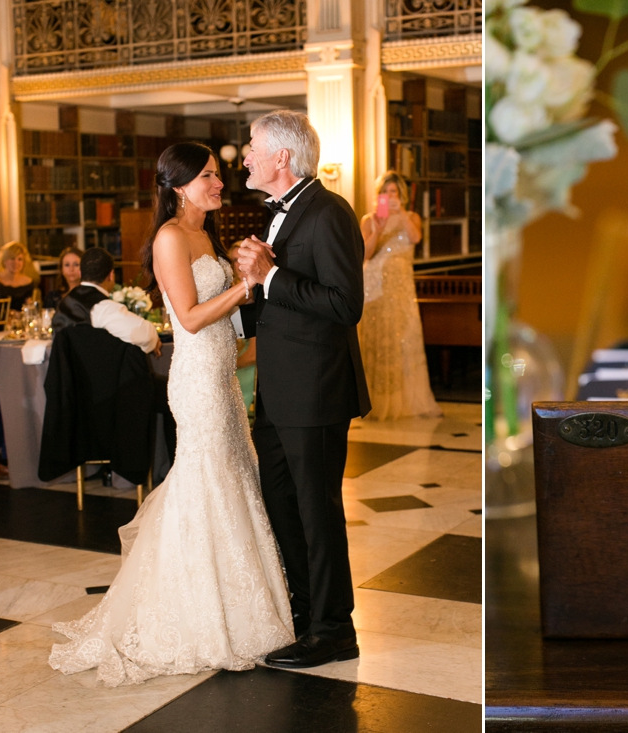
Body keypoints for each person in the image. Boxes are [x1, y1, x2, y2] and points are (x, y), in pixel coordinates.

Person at [49, 142, 294, 687]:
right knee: (206, 482)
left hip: (222, 379)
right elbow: (186, 316)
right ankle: (195, 615)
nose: (219, 183)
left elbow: (226, 324)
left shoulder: (206, 235)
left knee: (233, 477)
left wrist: (250, 313)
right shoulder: (168, 237)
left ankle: (240, 605)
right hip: (197, 382)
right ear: (179, 186)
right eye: (208, 176)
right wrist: (247, 285)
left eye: (217, 175)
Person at [236, 110, 371, 669]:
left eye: (251, 146)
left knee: (317, 512)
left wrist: (268, 277)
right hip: (279, 391)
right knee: (283, 506)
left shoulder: (329, 212)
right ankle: (305, 613)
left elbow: (345, 305)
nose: (243, 155)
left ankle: (335, 629)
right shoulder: (280, 214)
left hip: (316, 392)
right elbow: (279, 306)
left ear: (281, 158)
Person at [359, 171, 442, 420]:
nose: (389, 196)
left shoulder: (412, 216)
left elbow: (416, 237)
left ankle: (406, 401)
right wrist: (378, 229)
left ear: (401, 195)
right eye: (384, 192)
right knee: (378, 342)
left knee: (404, 340)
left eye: (393, 192)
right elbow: (365, 255)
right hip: (374, 287)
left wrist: (401, 213)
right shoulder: (369, 219)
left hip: (401, 288)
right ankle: (376, 402)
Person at [51, 247, 161, 356]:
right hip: (97, 371)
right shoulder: (103, 307)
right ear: (111, 275)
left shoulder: (63, 304)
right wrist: (153, 341)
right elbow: (147, 335)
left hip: (68, 371)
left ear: (80, 273)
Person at [227, 241, 257, 421]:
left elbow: (254, 355)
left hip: (247, 369)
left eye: (242, 258)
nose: (238, 264)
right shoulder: (230, 292)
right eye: (233, 260)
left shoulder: (256, 294)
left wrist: (225, 367)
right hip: (235, 365)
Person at [0, 241, 37, 310]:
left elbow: (28, 308)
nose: (16, 263)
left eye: (20, 259)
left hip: (19, 319)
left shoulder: (28, 282)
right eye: (12, 258)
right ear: (4, 260)